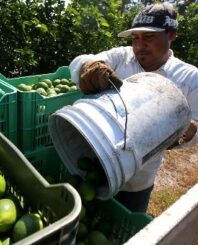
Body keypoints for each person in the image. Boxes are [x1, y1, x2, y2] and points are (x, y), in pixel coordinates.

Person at [69, 2, 198, 213]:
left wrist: (185, 132)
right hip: (95, 157)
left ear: (171, 35)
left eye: (148, 38)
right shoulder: (123, 57)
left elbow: (196, 131)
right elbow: (79, 62)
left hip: (138, 178)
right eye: (135, 38)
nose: (139, 46)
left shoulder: (189, 78)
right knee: (87, 214)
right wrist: (90, 68)